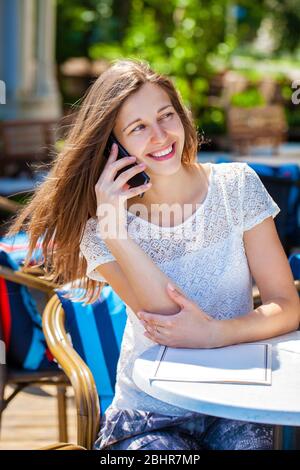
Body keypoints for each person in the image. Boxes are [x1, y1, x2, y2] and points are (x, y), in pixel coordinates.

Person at [6, 59, 299, 450]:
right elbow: (169, 321)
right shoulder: (102, 229)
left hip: (237, 401)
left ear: (182, 117)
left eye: (166, 116)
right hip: (149, 415)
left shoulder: (238, 186)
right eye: (138, 127)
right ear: (114, 145)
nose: (160, 136)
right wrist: (115, 231)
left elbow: (287, 304)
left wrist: (217, 333)